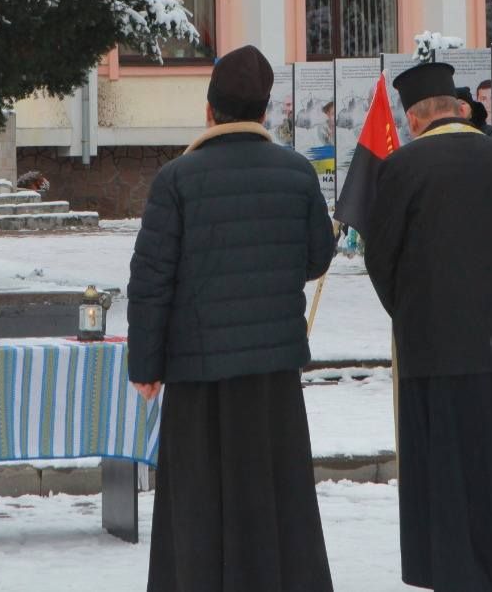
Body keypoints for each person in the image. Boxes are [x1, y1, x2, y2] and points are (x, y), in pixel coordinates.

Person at [128, 45, 336, 592]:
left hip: (198, 374)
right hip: (272, 373)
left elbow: (151, 278)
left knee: (199, 502)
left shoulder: (176, 179)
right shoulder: (297, 172)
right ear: (264, 111)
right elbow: (316, 258)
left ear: (209, 109)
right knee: (275, 497)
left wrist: (146, 365)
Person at [364, 61, 492, 592]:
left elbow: (381, 257)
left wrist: (411, 310)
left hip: (433, 347)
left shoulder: (403, 166)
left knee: (446, 470)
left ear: (414, 118)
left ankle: (456, 572)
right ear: (457, 108)